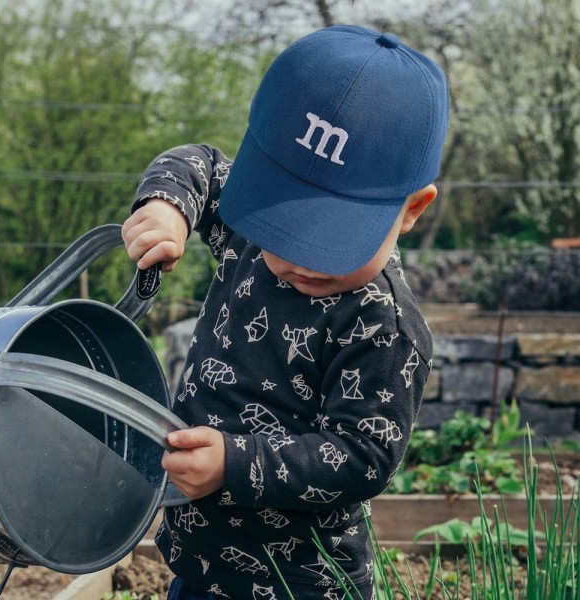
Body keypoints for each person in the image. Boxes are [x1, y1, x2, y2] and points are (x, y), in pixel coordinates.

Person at [122, 24, 449, 600]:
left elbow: (363, 455)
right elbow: (196, 162)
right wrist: (167, 207)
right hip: (196, 566)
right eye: (288, 225)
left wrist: (235, 462)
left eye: (334, 236)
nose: (302, 257)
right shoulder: (246, 225)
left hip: (301, 581)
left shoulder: (381, 325)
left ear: (412, 209)